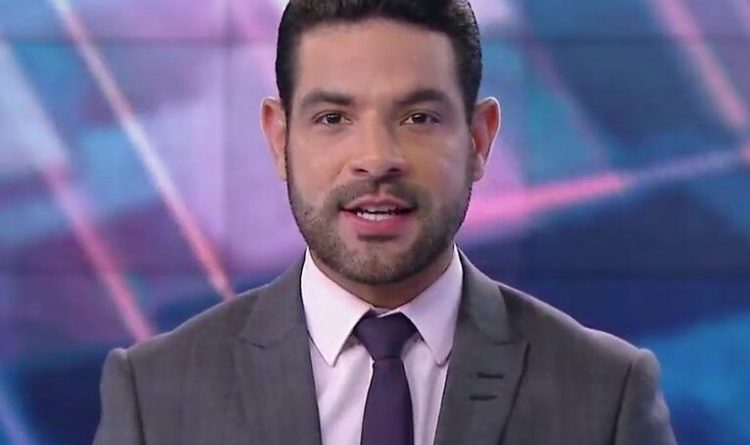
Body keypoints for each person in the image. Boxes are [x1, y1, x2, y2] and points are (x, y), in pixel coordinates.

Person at [93, 1, 677, 444]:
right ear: (279, 138)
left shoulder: (606, 394)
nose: (376, 158)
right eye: (333, 118)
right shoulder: (155, 397)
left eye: (418, 117)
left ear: (478, 140)